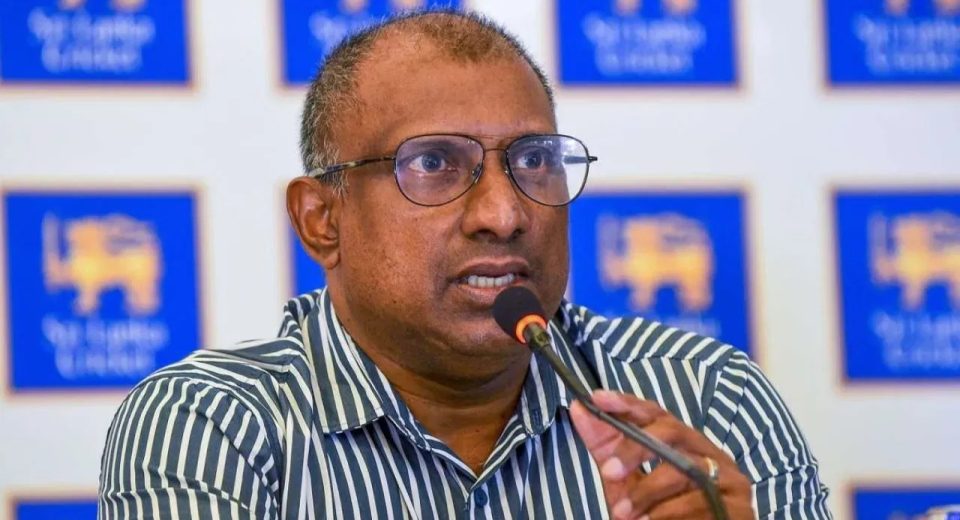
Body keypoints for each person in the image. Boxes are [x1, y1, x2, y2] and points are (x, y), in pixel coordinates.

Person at [99, 10, 831, 519]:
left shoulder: (702, 398)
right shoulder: (212, 426)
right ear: (322, 221)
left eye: (534, 160)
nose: (504, 213)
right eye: (434, 163)